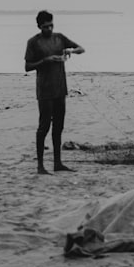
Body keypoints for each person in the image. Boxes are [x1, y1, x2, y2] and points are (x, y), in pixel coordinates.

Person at [24, 10, 84, 175]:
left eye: (51, 25)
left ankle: (58, 163)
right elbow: (27, 66)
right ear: (39, 27)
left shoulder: (60, 38)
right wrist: (45, 61)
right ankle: (40, 166)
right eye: (45, 27)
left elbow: (81, 48)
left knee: (59, 127)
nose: (49, 29)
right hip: (44, 90)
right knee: (44, 127)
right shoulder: (33, 42)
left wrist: (70, 51)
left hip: (60, 88)